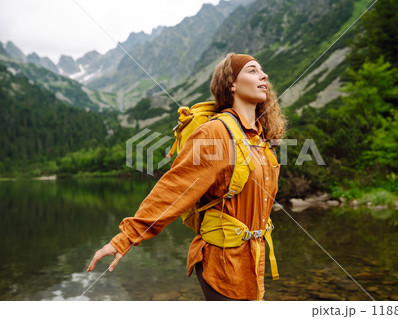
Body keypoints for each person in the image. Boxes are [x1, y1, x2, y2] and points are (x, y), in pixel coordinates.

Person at [87, 53, 287, 301]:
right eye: (252, 70)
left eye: (262, 70)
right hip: (222, 263)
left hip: (252, 261)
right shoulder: (215, 132)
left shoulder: (260, 139)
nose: (264, 75)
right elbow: (174, 189)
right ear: (231, 84)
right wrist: (125, 238)